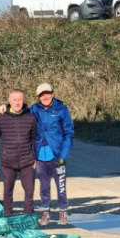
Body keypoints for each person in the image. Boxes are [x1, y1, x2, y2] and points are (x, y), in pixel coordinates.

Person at [0, 89, 39, 216]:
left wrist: (35, 157)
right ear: (9, 101)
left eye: (20, 99)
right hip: (8, 161)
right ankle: (8, 215)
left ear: (24, 100)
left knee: (29, 191)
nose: (17, 102)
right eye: (14, 100)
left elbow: (34, 139)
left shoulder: (31, 118)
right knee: (7, 191)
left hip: (27, 161)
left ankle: (28, 216)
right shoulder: (0, 118)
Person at [32, 82, 74, 226]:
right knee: (44, 187)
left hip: (57, 154)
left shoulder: (61, 109)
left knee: (61, 186)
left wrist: (64, 155)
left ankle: (63, 212)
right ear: (38, 97)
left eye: (47, 93)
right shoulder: (34, 109)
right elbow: (19, 112)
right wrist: (5, 107)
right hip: (40, 155)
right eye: (42, 95)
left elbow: (69, 133)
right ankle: (45, 212)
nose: (45, 97)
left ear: (52, 94)